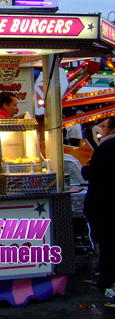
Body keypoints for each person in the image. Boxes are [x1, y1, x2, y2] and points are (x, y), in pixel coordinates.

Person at [81, 117, 115, 291]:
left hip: (103, 201)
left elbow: (92, 173)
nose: (102, 129)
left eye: (105, 126)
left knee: (106, 240)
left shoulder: (105, 148)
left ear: (111, 129)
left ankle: (106, 278)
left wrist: (86, 168)